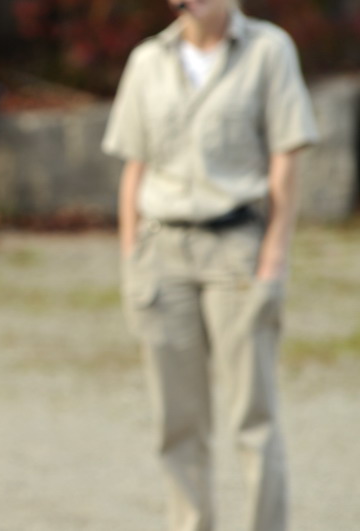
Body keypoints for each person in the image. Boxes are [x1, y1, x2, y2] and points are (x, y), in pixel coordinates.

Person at [101, 1, 319, 530]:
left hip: (237, 252)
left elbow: (286, 156)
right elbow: (136, 164)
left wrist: (275, 253)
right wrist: (131, 255)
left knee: (254, 419)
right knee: (177, 422)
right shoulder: (147, 60)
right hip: (161, 257)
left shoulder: (269, 51)